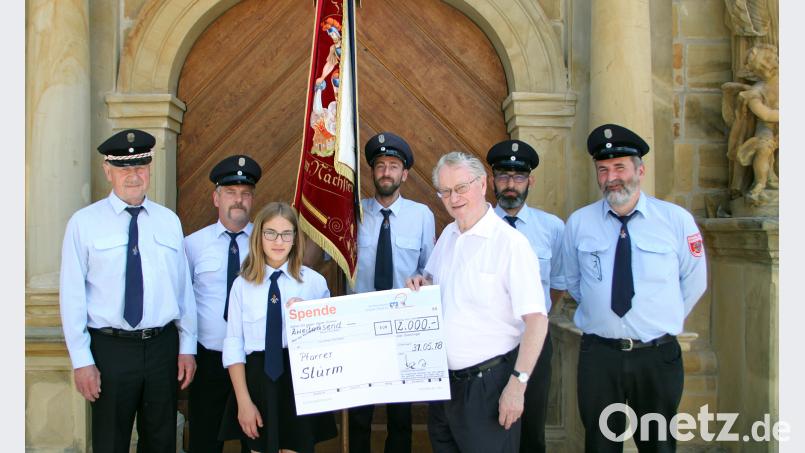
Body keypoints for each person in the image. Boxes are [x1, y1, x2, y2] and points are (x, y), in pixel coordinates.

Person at [562, 124, 707, 452]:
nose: (611, 177)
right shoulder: (580, 223)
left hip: (656, 356)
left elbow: (695, 280)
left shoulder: (675, 220)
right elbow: (572, 280)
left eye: (620, 167)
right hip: (600, 356)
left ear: (639, 171)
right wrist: (602, 312)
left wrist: (660, 318)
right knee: (600, 445)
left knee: (658, 445)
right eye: (603, 169)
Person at [59, 129, 197, 452]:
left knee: (161, 441)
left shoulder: (168, 222)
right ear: (108, 171)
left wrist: (187, 346)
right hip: (110, 350)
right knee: (110, 442)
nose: (133, 176)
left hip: (162, 347)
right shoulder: (84, 224)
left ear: (149, 169)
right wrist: (82, 360)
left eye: (140, 167)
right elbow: (72, 297)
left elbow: (183, 292)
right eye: (124, 168)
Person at [407, 151, 549, 453]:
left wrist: (517, 385)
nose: (453, 198)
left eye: (461, 188)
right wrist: (421, 283)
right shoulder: (448, 234)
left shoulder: (511, 244)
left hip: (489, 387)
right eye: (445, 191)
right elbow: (436, 284)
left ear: (482, 184)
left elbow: (537, 320)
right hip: (444, 388)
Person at [222, 202, 337, 453]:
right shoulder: (242, 286)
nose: (278, 241)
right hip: (257, 380)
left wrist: (309, 315)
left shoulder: (314, 284)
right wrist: (243, 401)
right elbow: (233, 345)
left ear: (296, 238)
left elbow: (332, 340)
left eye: (287, 234)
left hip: (301, 379)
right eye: (270, 233)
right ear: (259, 237)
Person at [348, 132, 436, 453]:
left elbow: (430, 271)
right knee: (359, 414)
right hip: (359, 327)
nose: (386, 171)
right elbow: (325, 256)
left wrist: (422, 283)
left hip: (404, 328)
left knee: (401, 415)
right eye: (381, 165)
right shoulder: (352, 212)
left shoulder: (422, 215)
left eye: (394, 166)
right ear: (372, 171)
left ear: (405, 174)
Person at [486, 140, 566, 453]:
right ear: (492, 180)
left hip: (534, 343)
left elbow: (557, 285)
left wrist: (534, 323)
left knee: (532, 428)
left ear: (530, 180)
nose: (510, 185)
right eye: (503, 176)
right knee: (491, 427)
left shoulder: (552, 228)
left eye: (518, 177)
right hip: (490, 343)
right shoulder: (475, 227)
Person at [184, 155, 262, 453]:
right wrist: (186, 351)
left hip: (252, 358)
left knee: (254, 439)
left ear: (252, 199)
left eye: (245, 194)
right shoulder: (193, 245)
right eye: (230, 193)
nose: (238, 200)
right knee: (204, 440)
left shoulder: (265, 244)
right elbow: (184, 303)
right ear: (216, 198)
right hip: (209, 358)